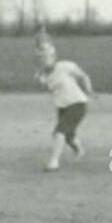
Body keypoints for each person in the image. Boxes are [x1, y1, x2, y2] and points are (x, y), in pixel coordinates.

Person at [35, 33, 94, 172]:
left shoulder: (66, 66)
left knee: (58, 132)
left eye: (48, 56)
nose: (45, 60)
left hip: (77, 103)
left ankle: (53, 162)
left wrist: (89, 89)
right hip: (62, 106)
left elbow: (83, 75)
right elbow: (47, 86)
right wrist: (41, 79)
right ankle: (79, 150)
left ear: (54, 56)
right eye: (41, 58)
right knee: (68, 136)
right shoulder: (41, 76)